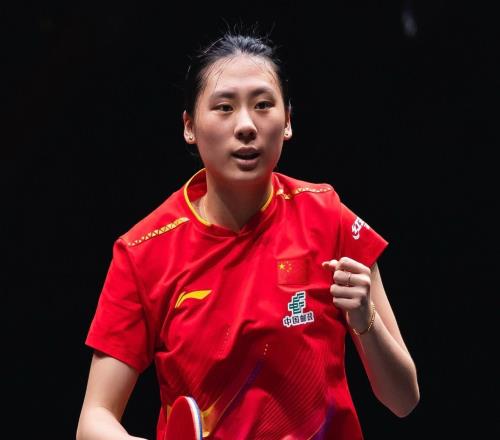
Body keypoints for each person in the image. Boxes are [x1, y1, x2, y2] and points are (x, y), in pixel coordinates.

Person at [76, 28, 419, 440]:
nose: (245, 126)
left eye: (263, 105)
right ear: (189, 126)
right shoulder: (142, 252)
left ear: (287, 121)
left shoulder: (329, 217)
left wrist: (366, 321)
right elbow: (93, 419)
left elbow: (403, 399)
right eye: (224, 108)